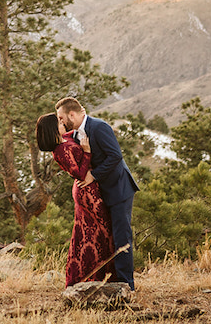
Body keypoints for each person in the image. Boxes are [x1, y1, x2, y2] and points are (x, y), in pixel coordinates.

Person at [55, 96, 139, 289]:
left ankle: (127, 284)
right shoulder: (74, 133)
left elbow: (115, 156)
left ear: (72, 114)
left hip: (118, 190)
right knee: (108, 236)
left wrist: (94, 175)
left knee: (121, 237)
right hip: (101, 194)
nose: (60, 122)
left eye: (61, 118)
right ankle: (111, 278)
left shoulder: (99, 127)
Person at [35, 112, 114, 286]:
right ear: (53, 128)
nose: (62, 122)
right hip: (86, 191)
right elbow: (78, 174)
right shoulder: (60, 150)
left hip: (91, 189)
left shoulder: (65, 139)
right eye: (59, 121)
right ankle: (89, 278)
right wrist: (87, 152)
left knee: (95, 232)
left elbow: (80, 129)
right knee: (95, 233)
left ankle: (103, 276)